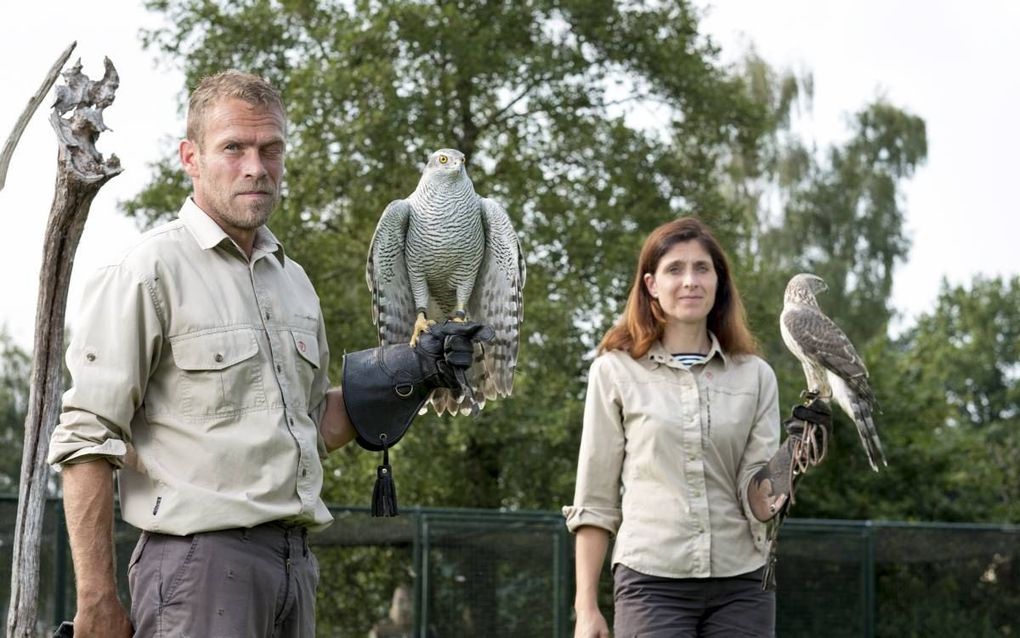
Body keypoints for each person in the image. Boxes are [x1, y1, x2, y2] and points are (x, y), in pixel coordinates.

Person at [47, 70, 485, 637]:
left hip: (294, 568)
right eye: (233, 148)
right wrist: (98, 602)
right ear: (191, 157)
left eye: (270, 148)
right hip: (196, 571)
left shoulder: (294, 282)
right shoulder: (147, 273)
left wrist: (414, 371)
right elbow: (86, 438)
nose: (256, 166)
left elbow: (309, 427)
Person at [564, 217, 805, 638]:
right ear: (652, 284)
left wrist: (793, 456)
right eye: (675, 269)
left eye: (702, 269)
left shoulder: (756, 376)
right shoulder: (614, 372)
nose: (690, 281)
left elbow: (760, 499)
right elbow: (595, 499)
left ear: (719, 283)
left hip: (743, 583)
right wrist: (586, 608)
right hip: (650, 582)